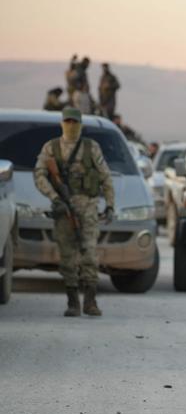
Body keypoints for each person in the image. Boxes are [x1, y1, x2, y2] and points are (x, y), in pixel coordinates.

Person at [33, 107, 115, 317]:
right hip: (63, 209)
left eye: (74, 122)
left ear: (80, 124)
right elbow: (40, 175)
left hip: (87, 208)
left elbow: (105, 177)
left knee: (89, 253)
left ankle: (90, 301)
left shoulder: (91, 147)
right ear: (62, 123)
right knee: (67, 255)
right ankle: (72, 302)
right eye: (67, 121)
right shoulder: (51, 148)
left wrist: (111, 205)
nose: (71, 125)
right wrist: (55, 197)